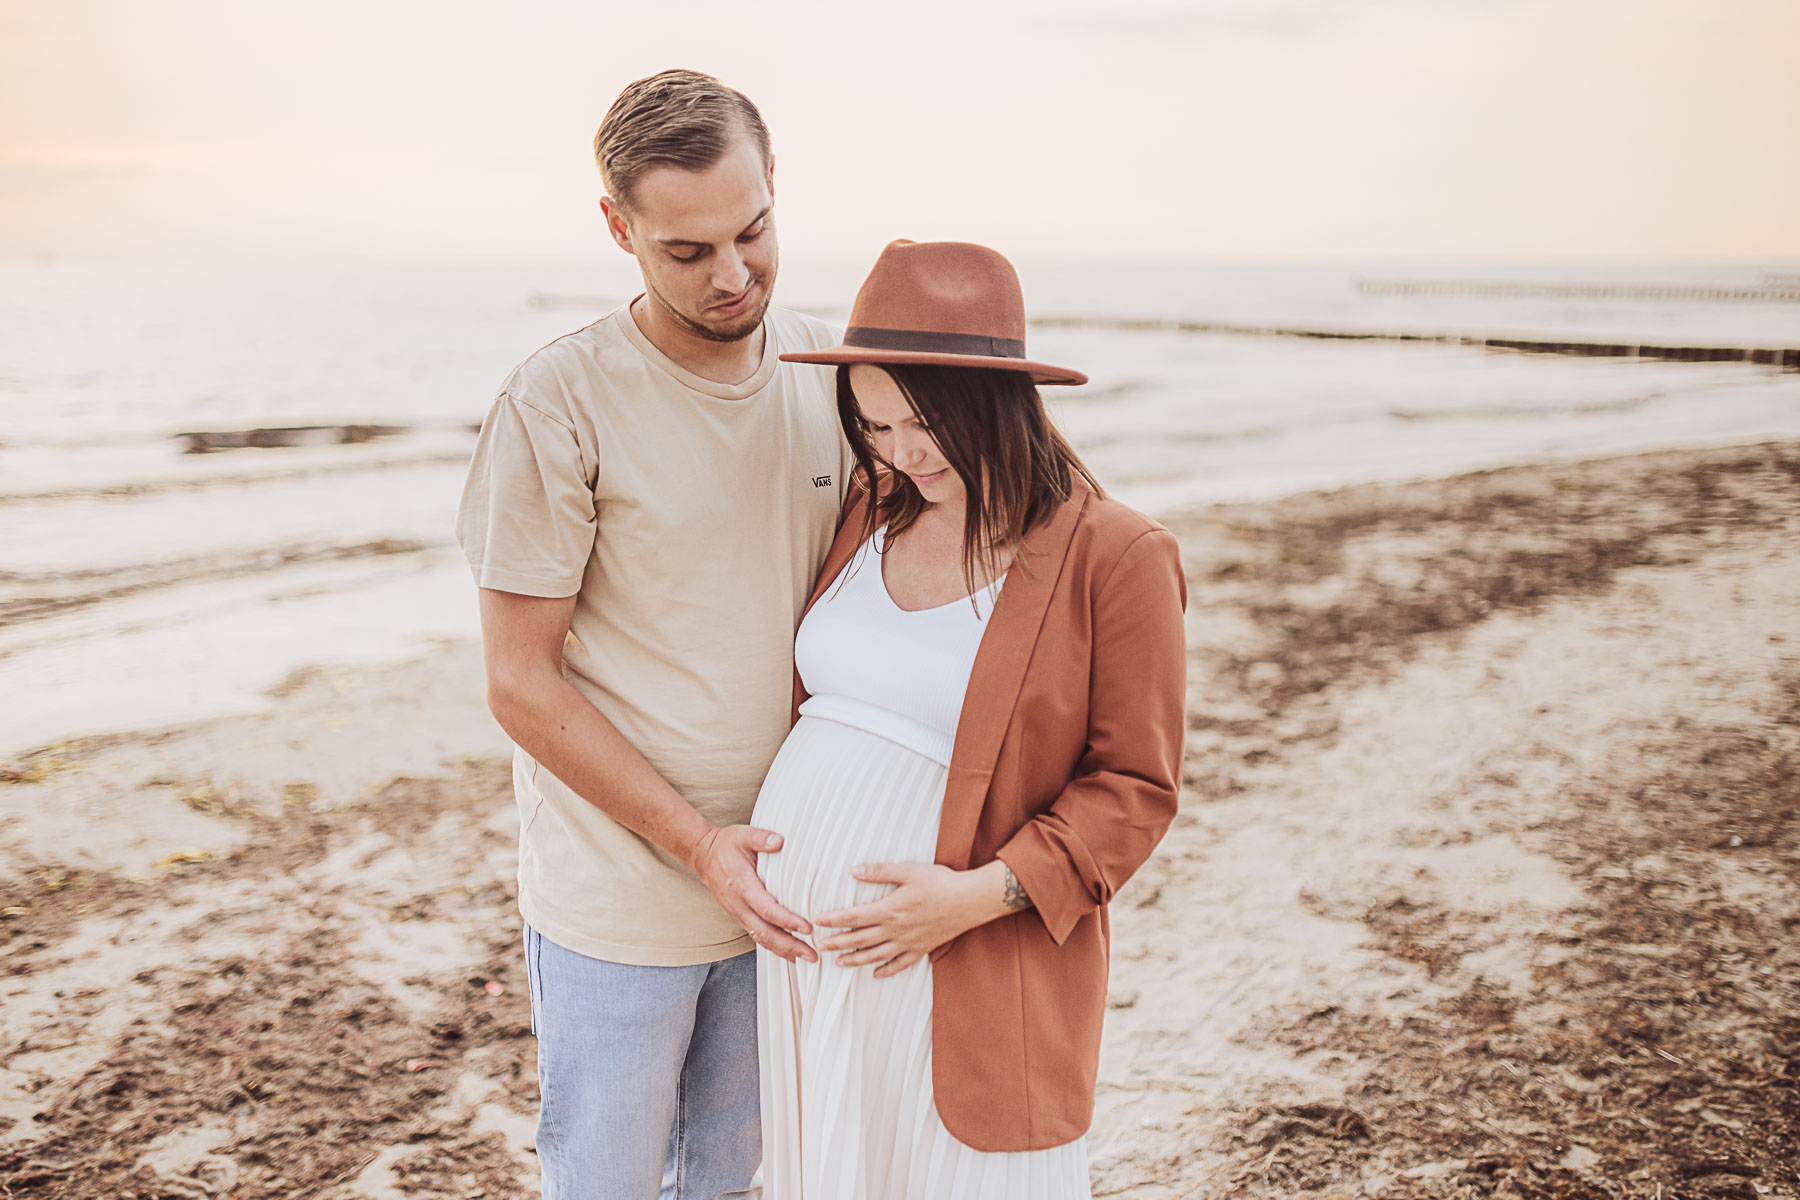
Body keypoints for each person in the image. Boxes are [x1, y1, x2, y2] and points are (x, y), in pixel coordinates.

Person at [455, 69, 850, 1200]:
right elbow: (520, 685)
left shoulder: (837, 375)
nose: (733, 275)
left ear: (776, 186)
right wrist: (697, 846)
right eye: (686, 251)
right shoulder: (556, 402)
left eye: (754, 231)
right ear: (617, 227)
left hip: (788, 875)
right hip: (618, 901)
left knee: (729, 1179)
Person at [752, 239, 1189, 1199]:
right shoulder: (870, 509)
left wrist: (975, 898)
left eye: (924, 423)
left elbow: (1136, 790)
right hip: (811, 968)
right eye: (873, 424)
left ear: (996, 401)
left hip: (965, 959)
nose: (901, 452)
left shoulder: (1115, 555)